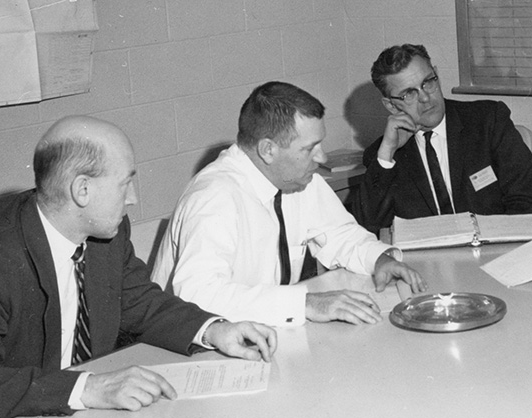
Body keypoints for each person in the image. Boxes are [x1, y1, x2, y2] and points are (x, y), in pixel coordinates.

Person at [0, 116, 278, 418]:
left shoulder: (106, 235)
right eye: (125, 184)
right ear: (82, 190)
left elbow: (141, 302)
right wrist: (91, 388)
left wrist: (215, 330)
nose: (133, 198)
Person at [150, 82, 426, 327]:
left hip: (256, 330)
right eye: (309, 148)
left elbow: (339, 234)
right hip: (189, 346)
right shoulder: (214, 197)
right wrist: (306, 303)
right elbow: (199, 295)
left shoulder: (296, 178)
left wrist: (378, 258)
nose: (321, 157)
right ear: (268, 150)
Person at [353, 44, 532, 235]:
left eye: (428, 82)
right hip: (427, 262)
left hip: (494, 253)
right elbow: (370, 227)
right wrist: (387, 151)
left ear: (436, 74)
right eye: (409, 93)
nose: (426, 98)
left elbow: (527, 204)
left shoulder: (488, 121)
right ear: (392, 106)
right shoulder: (384, 155)